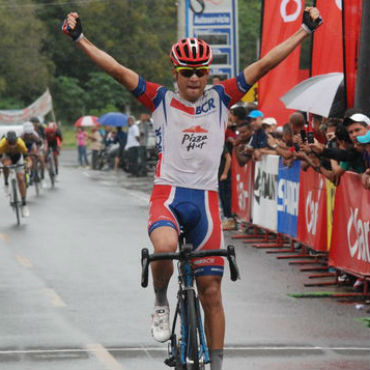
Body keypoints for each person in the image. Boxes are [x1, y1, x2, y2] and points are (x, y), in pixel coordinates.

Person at [62, 8, 322, 370]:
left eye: (201, 71)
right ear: (176, 73)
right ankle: (160, 299)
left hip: (206, 202)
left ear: (209, 72)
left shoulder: (222, 97)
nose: (196, 78)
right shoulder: (159, 99)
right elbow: (117, 69)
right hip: (169, 196)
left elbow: (264, 64)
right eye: (188, 72)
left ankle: (215, 365)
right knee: (165, 249)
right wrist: (79, 39)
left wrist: (304, 31)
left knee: (211, 292)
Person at [0, 131, 32, 217]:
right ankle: (6, 183)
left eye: (14, 143)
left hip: (18, 158)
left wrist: (28, 166)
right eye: (10, 143)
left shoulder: (21, 144)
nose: (12, 145)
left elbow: (28, 159)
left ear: (16, 141)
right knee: (6, 165)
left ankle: (24, 204)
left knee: (21, 178)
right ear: (6, 141)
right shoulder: (2, 145)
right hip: (7, 157)